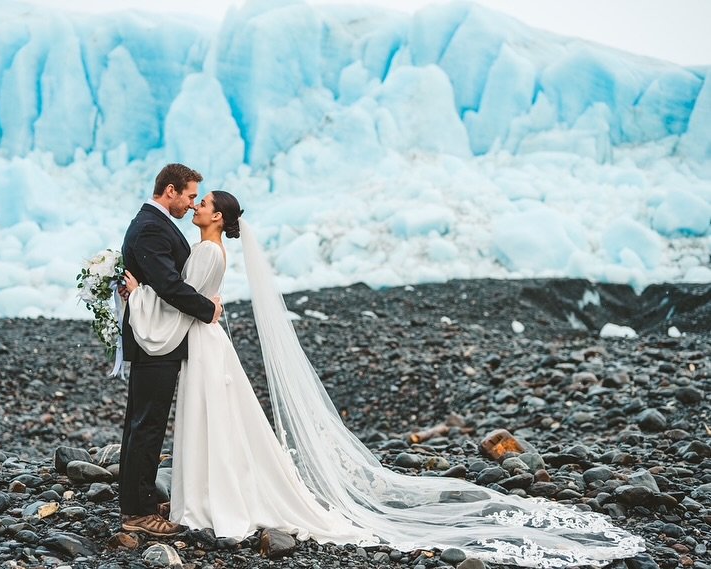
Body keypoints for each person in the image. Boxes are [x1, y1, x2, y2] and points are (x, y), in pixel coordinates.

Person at [123, 191, 645, 567]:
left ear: (218, 216)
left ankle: (212, 497)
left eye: (203, 203)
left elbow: (186, 301)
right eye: (194, 199)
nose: (196, 206)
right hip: (207, 343)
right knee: (218, 420)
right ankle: (210, 491)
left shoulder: (210, 250)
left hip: (206, 345)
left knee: (212, 418)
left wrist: (137, 293)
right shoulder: (210, 248)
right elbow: (196, 300)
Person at [118, 163, 223, 537]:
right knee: (147, 424)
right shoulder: (150, 227)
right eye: (191, 195)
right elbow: (168, 284)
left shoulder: (156, 224)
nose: (193, 204)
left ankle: (135, 498)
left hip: (157, 336)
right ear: (171, 191)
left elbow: (163, 280)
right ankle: (138, 510)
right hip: (155, 340)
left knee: (142, 421)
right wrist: (208, 309)